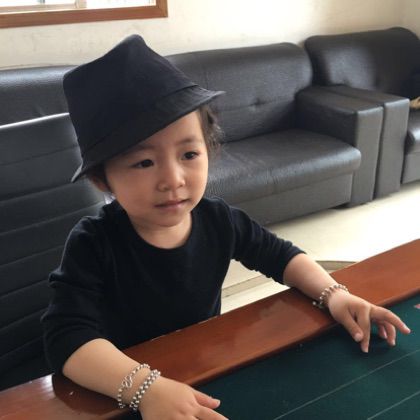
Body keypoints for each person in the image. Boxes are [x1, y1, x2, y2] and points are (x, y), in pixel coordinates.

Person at [42, 35, 411, 420]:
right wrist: (145, 389)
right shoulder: (93, 243)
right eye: (144, 163)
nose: (173, 179)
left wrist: (334, 295)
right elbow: (67, 339)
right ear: (102, 179)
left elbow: (281, 255)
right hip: (119, 384)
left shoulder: (217, 218)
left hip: (201, 364)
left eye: (189, 154)